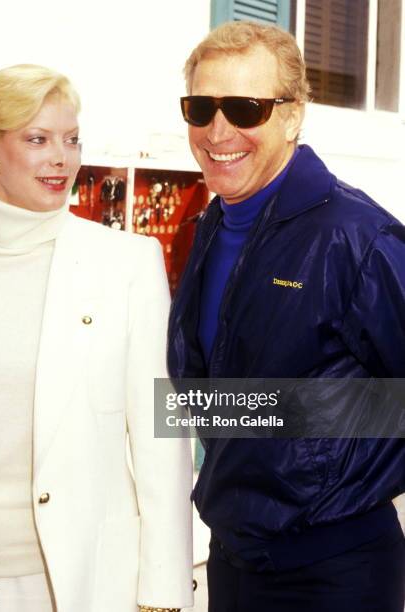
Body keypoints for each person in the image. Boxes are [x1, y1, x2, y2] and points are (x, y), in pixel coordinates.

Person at [0, 64, 193, 612]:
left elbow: (160, 440)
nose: (62, 158)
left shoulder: (126, 266)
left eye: (71, 140)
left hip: (82, 578)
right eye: (38, 139)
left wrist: (164, 593)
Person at [167, 21, 405, 612]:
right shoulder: (208, 229)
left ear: (293, 116)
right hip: (233, 555)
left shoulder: (360, 237)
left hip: (334, 569)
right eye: (200, 107)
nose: (218, 131)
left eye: (245, 109)